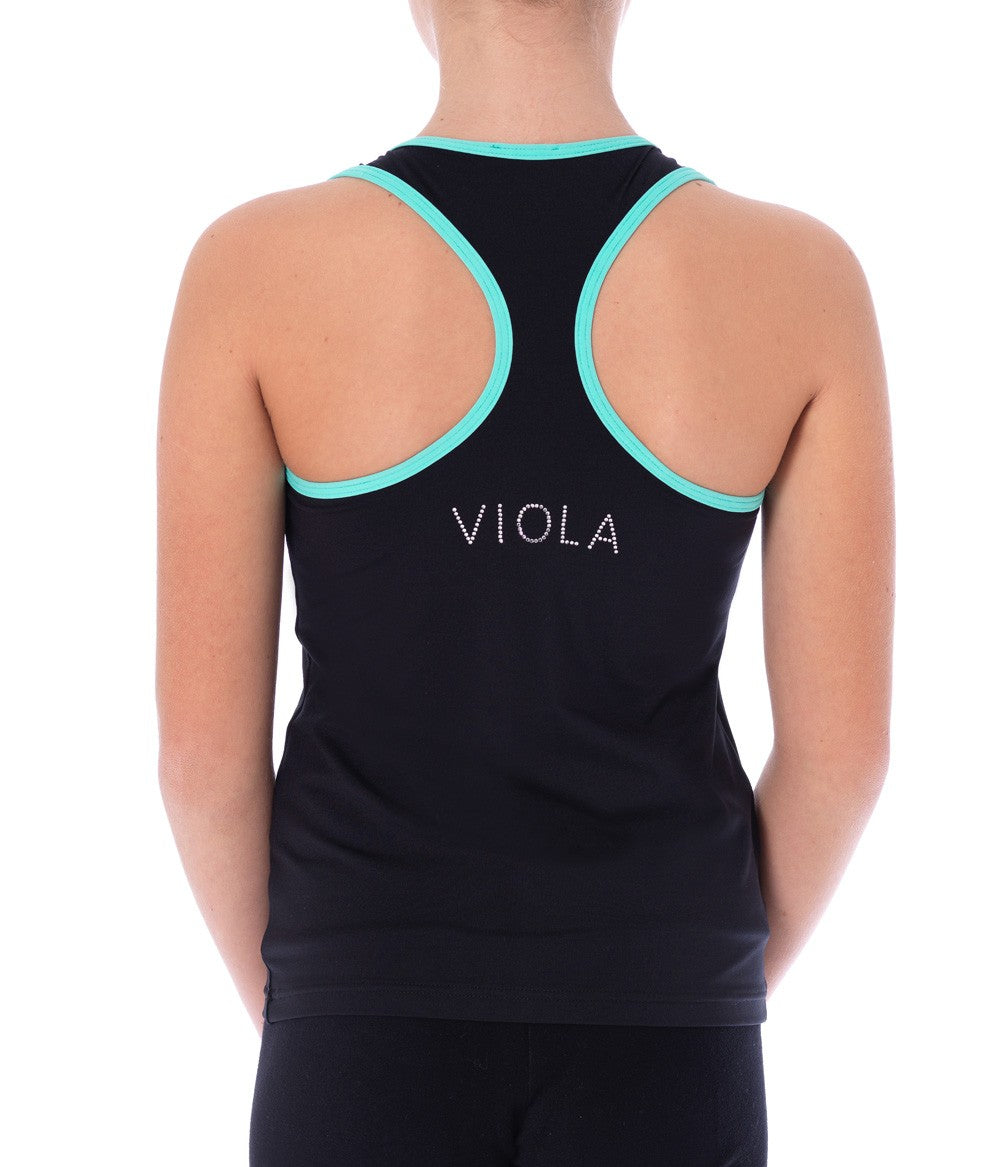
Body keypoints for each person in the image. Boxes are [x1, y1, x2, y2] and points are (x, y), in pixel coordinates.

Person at [156, 0, 895, 1162]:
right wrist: (695, 982)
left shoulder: (255, 268)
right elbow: (843, 759)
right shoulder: (799, 279)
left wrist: (317, 1000)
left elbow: (201, 763)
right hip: (667, 1022)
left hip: (359, 1007)